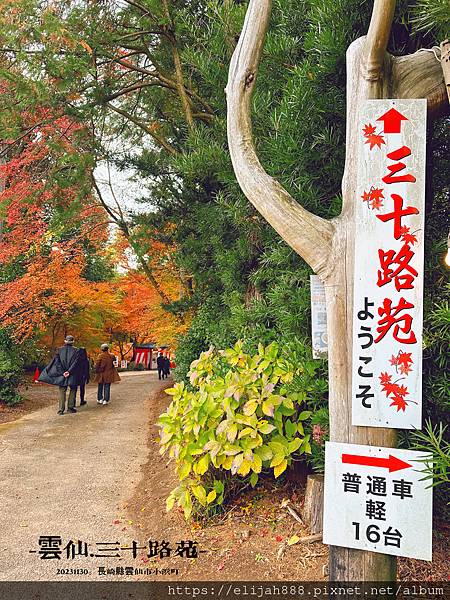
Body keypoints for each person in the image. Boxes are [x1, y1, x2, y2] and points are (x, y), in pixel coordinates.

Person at [38, 335, 81, 415]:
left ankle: (61, 409)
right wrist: (69, 371)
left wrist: (63, 372)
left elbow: (57, 363)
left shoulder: (59, 350)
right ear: (73, 342)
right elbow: (76, 363)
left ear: (65, 341)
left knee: (62, 390)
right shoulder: (77, 351)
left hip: (62, 374)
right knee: (73, 389)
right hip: (72, 373)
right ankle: (70, 408)